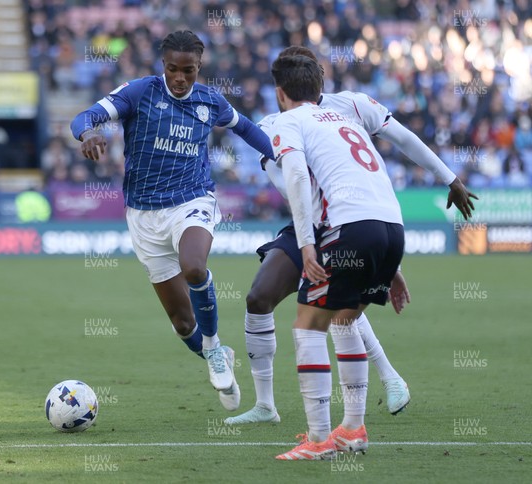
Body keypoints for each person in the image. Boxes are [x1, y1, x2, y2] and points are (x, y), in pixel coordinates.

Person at [226, 47, 478, 434]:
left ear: (281, 88)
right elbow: (290, 183)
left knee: (330, 311)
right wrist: (311, 235)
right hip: (313, 220)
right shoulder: (275, 122)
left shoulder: (352, 105)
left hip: (346, 222)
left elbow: (403, 139)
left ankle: (362, 403)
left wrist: (449, 177)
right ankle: (266, 406)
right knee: (260, 297)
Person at [70, 30, 275, 411]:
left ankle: (214, 350)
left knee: (194, 267)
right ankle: (216, 352)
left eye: (189, 71)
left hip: (191, 199)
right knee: (183, 323)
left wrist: (276, 156)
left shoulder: (209, 101)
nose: (180, 78)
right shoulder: (139, 92)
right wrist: (89, 132)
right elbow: (86, 116)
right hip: (144, 215)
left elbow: (245, 127)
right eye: (173, 69)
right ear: (162, 65)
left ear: (199, 68)